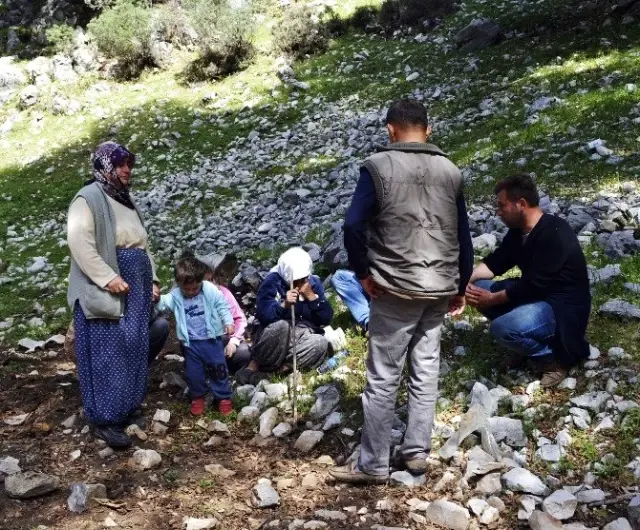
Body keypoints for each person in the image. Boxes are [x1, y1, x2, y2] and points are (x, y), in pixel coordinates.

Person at [330, 99, 473, 484]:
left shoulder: (378, 167)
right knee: (425, 371)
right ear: (428, 129)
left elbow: (352, 226)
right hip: (439, 286)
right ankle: (416, 454)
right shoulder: (450, 170)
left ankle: (373, 464)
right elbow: (462, 234)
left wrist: (363, 273)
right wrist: (460, 285)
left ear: (391, 130)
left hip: (394, 286)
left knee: (383, 375)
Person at [67, 141, 162, 449]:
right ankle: (105, 419)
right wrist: (108, 278)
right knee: (108, 350)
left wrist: (153, 280)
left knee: (133, 343)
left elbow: (142, 246)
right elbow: (80, 242)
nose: (126, 169)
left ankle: (126, 408)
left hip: (135, 282)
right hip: (107, 286)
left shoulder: (124, 200)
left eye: (129, 164)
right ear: (104, 166)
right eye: (120, 164)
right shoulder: (88, 198)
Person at [465, 174, 591, 388]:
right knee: (476, 289)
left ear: (521, 204)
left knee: (502, 328)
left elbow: (535, 285)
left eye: (502, 205)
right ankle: (525, 342)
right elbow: (497, 262)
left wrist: (492, 299)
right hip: (534, 296)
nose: (498, 212)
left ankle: (553, 359)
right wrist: (467, 279)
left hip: (560, 307)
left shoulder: (555, 232)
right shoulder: (518, 233)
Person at [235, 247, 334, 385]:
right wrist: (283, 305)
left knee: (320, 343)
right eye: (297, 280)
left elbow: (326, 318)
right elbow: (264, 316)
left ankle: (275, 372)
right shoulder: (272, 282)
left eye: (303, 279)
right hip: (274, 337)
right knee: (282, 326)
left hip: (302, 336)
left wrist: (312, 297)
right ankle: (255, 365)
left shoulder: (313, 283)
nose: (301, 282)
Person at [156, 252, 235, 416]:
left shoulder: (209, 290)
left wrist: (228, 322)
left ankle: (224, 398)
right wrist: (156, 300)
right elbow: (164, 304)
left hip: (211, 339)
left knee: (218, 369)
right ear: (178, 283)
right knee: (194, 373)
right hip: (191, 343)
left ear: (201, 281)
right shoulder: (176, 295)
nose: (191, 292)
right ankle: (197, 397)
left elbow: (222, 305)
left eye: (195, 288)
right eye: (187, 289)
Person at [195, 253, 251, 374]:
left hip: (224, 340)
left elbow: (240, 319)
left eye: (211, 278)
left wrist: (234, 341)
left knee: (245, 353)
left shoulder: (224, 292)